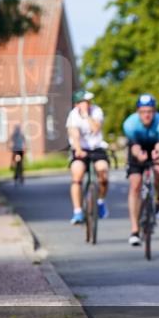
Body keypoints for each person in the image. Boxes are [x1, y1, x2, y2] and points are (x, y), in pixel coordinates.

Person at [123, 93, 159, 246]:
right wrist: (138, 155)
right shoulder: (130, 124)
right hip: (138, 149)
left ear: (155, 111)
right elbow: (134, 147)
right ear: (138, 111)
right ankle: (134, 230)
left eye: (150, 111)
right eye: (143, 111)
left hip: (156, 147)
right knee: (135, 185)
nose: (147, 115)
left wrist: (158, 153)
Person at [66, 90, 110, 224]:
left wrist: (86, 116)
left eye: (89, 102)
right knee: (77, 174)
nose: (88, 104)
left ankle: (100, 201)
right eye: (85, 102)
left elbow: (96, 128)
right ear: (77, 104)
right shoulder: (73, 115)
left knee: (103, 172)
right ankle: (78, 211)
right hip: (80, 149)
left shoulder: (96, 111)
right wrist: (78, 150)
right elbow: (74, 134)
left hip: (97, 148)